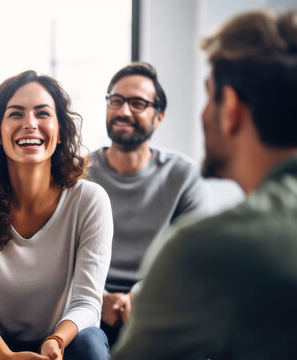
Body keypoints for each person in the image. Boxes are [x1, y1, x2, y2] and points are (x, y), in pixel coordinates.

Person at [112, 9, 297, 359]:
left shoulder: (203, 248)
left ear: (230, 108)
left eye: (209, 95)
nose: (202, 113)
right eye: (116, 100)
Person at [0, 70, 113, 360]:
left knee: (90, 341)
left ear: (61, 132)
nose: (30, 124)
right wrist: (4, 356)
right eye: (16, 114)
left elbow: (87, 303)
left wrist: (55, 340)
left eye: (42, 114)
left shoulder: (89, 200)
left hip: (58, 345)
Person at [87, 61, 209, 345]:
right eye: (115, 100)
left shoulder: (183, 175)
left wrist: (139, 296)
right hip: (85, 302)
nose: (123, 111)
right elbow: (58, 252)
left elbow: (193, 257)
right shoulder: (77, 172)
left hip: (162, 301)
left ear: (159, 116)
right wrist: (97, 298)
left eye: (137, 103)